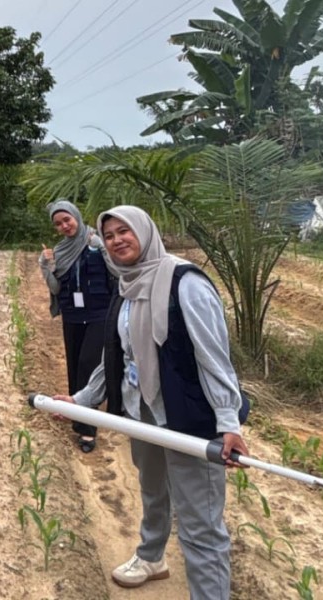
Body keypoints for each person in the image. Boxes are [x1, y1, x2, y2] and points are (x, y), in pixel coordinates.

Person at [52, 205, 249, 598]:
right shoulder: (127, 285)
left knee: (200, 522)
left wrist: (228, 422)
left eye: (124, 231)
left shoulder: (185, 282)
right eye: (108, 236)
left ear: (145, 231)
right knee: (153, 488)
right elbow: (118, 355)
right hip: (141, 410)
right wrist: (81, 399)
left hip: (189, 416)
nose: (116, 240)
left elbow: (215, 357)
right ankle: (152, 555)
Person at [39, 199, 114, 453]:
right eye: (58, 223)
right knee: (74, 365)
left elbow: (116, 272)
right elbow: (56, 288)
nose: (64, 226)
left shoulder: (96, 239)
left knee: (88, 365)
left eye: (67, 220)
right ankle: (78, 417)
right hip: (72, 316)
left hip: (99, 314)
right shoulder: (59, 250)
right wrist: (46, 266)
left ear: (76, 217)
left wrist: (102, 248)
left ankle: (88, 430)